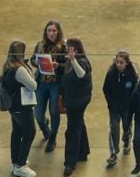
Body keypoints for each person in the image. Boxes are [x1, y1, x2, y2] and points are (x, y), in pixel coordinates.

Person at [0, 39, 39, 177]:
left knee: (17, 132)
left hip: (13, 107)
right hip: (22, 107)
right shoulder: (20, 69)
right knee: (29, 132)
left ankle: (16, 160)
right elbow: (33, 86)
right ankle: (21, 165)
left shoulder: (7, 66)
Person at [59, 36, 93, 176]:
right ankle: (83, 152)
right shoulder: (71, 61)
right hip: (74, 99)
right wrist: (59, 66)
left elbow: (81, 74)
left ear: (76, 50)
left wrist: (72, 60)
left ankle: (70, 163)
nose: (66, 50)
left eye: (69, 48)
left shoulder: (82, 62)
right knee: (79, 124)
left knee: (72, 131)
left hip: (77, 102)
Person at [33, 19, 67, 152]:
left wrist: (59, 66)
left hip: (56, 84)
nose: (51, 33)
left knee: (54, 112)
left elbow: (68, 65)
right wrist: (36, 62)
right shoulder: (40, 44)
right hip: (42, 83)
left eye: (54, 31)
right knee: (38, 113)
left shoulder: (63, 47)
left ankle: (53, 138)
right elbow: (33, 59)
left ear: (58, 32)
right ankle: (45, 127)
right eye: (49, 31)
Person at [103, 50, 138, 168]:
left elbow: (135, 91)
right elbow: (105, 89)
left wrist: (131, 104)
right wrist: (110, 103)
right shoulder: (110, 74)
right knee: (114, 128)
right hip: (114, 108)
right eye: (117, 62)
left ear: (127, 63)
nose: (119, 65)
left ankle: (126, 141)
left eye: (121, 62)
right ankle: (113, 153)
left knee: (127, 126)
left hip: (127, 108)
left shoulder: (132, 76)